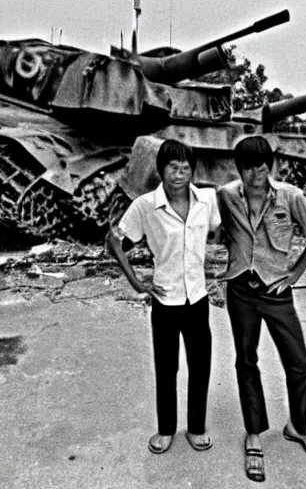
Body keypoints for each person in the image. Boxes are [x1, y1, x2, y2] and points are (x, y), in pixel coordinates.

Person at [217, 136, 306, 483]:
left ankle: (300, 427)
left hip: (276, 290)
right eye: (249, 168)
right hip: (240, 289)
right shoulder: (226, 196)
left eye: (262, 167)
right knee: (246, 361)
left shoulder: (291, 196)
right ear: (239, 169)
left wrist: (295, 273)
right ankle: (254, 434)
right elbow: (218, 231)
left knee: (299, 365)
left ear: (271, 166)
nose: (256, 174)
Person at [106, 139, 221, 454]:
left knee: (200, 366)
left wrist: (223, 274)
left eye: (186, 168)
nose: (180, 174)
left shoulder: (207, 200)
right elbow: (114, 241)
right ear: (161, 169)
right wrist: (137, 284)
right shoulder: (145, 205)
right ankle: (166, 430)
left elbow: (225, 231)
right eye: (173, 167)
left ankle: (196, 428)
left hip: (197, 299)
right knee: (166, 367)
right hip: (165, 301)